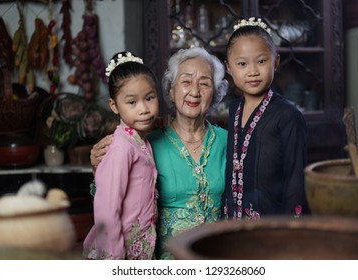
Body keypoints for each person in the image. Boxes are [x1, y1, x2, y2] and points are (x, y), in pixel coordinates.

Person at [90, 47, 228, 259]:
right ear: (171, 90)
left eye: (204, 83)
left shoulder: (228, 141)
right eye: (186, 81)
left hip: (216, 255)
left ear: (216, 93)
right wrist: (96, 167)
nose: (194, 91)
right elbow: (110, 201)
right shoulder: (146, 141)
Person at [222, 17, 308, 220]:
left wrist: (290, 229)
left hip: (271, 226)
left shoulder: (288, 116)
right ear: (228, 68)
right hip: (234, 222)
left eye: (261, 61)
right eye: (242, 64)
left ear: (275, 62)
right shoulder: (234, 109)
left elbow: (296, 180)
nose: (252, 71)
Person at [83, 51, 159, 260]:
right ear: (114, 106)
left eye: (150, 98)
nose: (144, 109)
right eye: (132, 102)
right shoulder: (121, 147)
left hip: (141, 247)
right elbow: (107, 209)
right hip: (119, 253)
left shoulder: (140, 141)